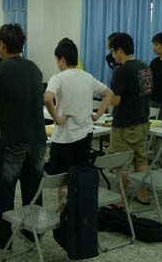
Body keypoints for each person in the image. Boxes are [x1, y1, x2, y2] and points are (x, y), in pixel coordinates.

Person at [0, 24, 47, 249]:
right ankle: (32, 232)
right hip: (38, 139)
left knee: (4, 191)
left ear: (2, 45)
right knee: (33, 189)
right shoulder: (34, 68)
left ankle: (2, 240)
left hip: (11, 140)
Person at [44, 39, 113, 175]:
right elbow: (109, 94)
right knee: (78, 174)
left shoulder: (58, 78)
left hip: (65, 137)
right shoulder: (88, 77)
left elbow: (47, 98)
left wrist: (57, 119)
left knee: (60, 176)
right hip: (85, 135)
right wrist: (97, 115)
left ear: (62, 59)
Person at [107, 33, 153, 204]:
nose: (112, 55)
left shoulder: (120, 71)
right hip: (143, 121)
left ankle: (121, 200)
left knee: (122, 163)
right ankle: (143, 194)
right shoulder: (145, 67)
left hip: (124, 125)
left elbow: (116, 101)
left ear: (119, 50)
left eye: (113, 51)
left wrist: (106, 95)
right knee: (141, 160)